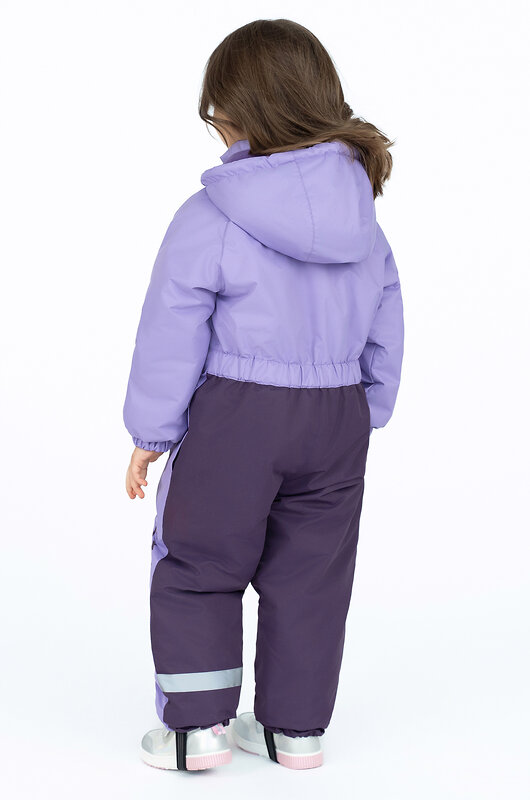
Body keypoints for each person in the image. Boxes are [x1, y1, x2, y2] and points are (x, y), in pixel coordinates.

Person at [123, 18, 404, 772]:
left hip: (238, 415)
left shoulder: (211, 215)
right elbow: (386, 321)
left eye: (214, 113)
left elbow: (171, 328)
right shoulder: (363, 219)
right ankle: (294, 732)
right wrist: (366, 409)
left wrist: (151, 432)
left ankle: (197, 730)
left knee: (198, 562)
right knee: (312, 578)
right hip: (337, 419)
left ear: (240, 111)